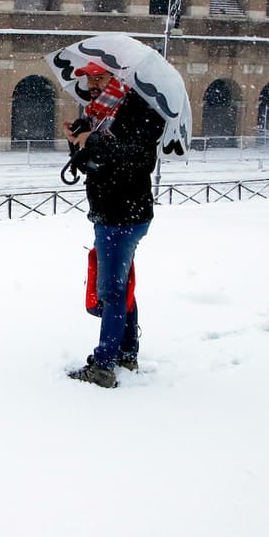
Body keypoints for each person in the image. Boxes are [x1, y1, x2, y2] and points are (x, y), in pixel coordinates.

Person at [62, 61, 166, 388]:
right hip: (111, 211)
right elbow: (92, 163)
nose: (92, 83)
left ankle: (105, 366)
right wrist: (77, 140)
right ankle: (128, 352)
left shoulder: (138, 109)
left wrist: (92, 141)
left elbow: (139, 159)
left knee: (112, 291)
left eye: (99, 76)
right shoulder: (96, 112)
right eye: (89, 77)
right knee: (121, 286)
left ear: (117, 77)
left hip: (124, 213)